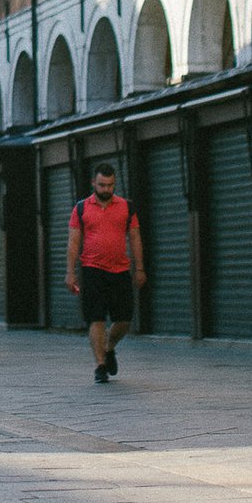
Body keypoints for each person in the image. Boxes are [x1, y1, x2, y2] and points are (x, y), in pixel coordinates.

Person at [68, 160, 146, 384]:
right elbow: (73, 242)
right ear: (94, 182)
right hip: (92, 270)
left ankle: (109, 346)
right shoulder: (81, 208)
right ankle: (100, 365)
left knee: (124, 319)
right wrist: (70, 272)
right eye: (102, 185)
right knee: (96, 318)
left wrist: (139, 268)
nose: (106, 190)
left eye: (110, 185)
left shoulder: (126, 207)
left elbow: (135, 238)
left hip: (120, 271)